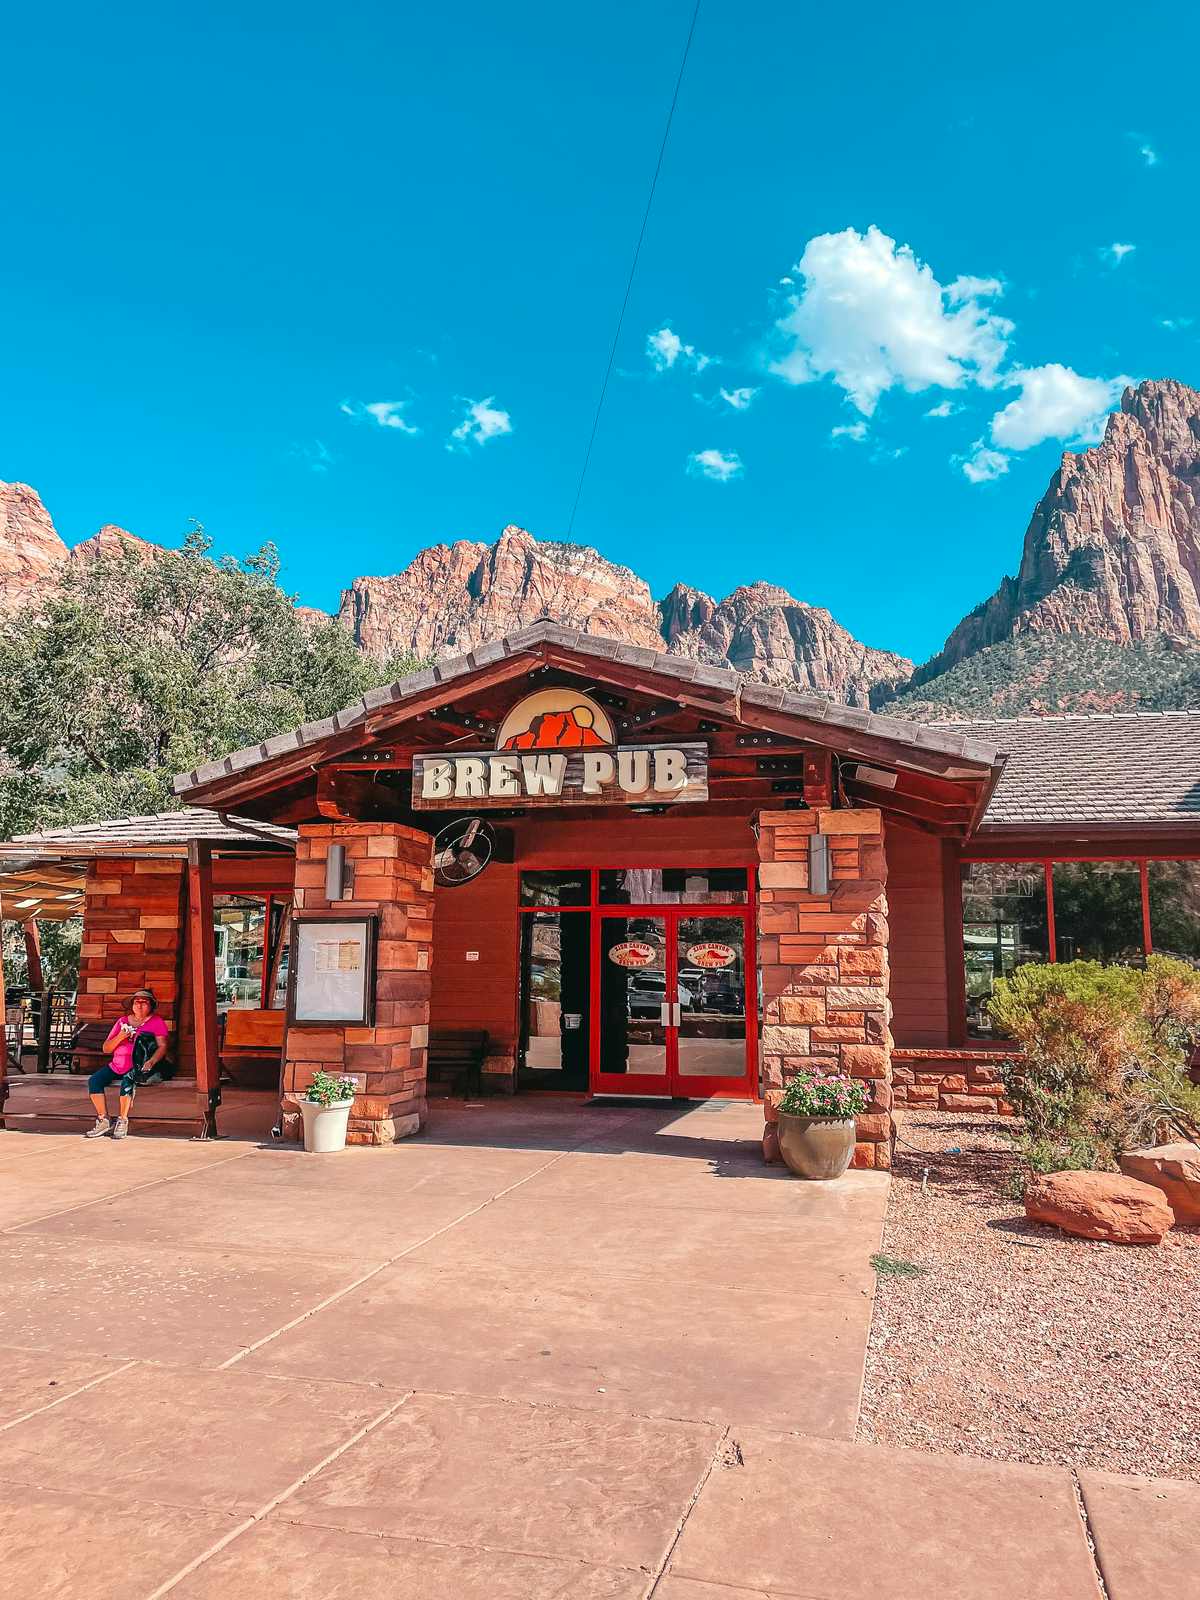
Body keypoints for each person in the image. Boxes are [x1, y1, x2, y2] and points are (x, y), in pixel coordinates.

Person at [85, 989, 169, 1139]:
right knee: (95, 1080)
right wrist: (121, 1036)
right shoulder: (122, 1021)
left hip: (139, 1066)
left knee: (127, 1081)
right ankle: (103, 1119)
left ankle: (122, 1120)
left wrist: (152, 1061)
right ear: (132, 1005)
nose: (140, 1005)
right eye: (137, 1002)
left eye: (144, 1002)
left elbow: (162, 1046)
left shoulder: (157, 1022)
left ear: (151, 1005)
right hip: (117, 1064)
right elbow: (106, 1048)